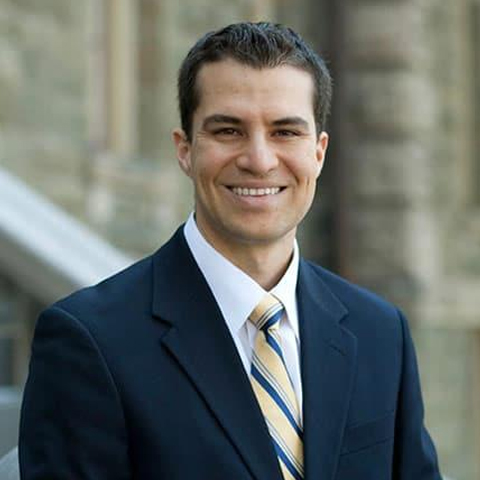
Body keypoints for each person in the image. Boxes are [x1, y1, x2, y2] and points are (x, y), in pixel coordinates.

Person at [19, 22, 442, 479]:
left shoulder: (379, 333)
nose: (259, 160)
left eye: (285, 132)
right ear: (185, 150)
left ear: (318, 152)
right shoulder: (90, 341)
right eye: (228, 130)